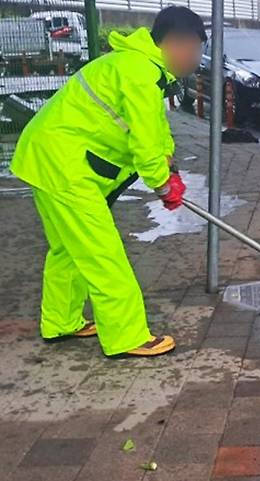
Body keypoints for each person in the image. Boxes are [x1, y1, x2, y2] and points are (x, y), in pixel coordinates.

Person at [9, 6, 207, 357]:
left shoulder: (140, 67)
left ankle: (61, 322)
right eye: (194, 50)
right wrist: (162, 184)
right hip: (63, 166)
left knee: (69, 250)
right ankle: (126, 336)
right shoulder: (139, 73)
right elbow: (144, 145)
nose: (196, 60)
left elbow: (153, 131)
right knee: (103, 254)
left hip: (49, 158)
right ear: (176, 44)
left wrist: (168, 166)